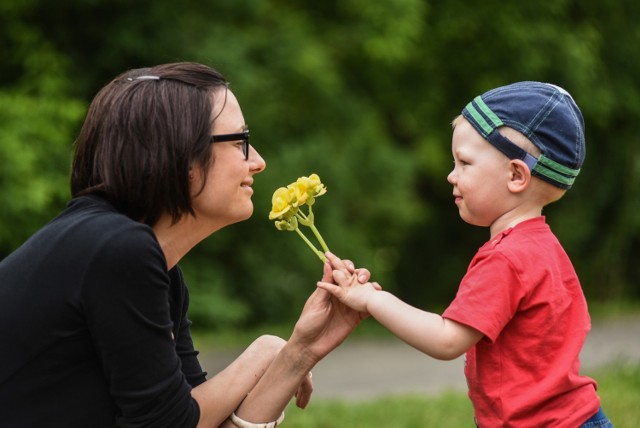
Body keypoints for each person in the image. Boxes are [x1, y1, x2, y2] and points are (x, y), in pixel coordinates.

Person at [0, 62, 371, 428]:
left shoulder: (155, 266)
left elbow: (199, 420)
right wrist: (264, 352)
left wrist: (295, 354)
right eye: (240, 141)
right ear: (180, 156)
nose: (258, 162)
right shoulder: (115, 250)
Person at [318, 82, 613, 427]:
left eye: (464, 163)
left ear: (516, 175)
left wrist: (369, 299)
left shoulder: (506, 258)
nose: (450, 175)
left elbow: (446, 340)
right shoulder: (545, 247)